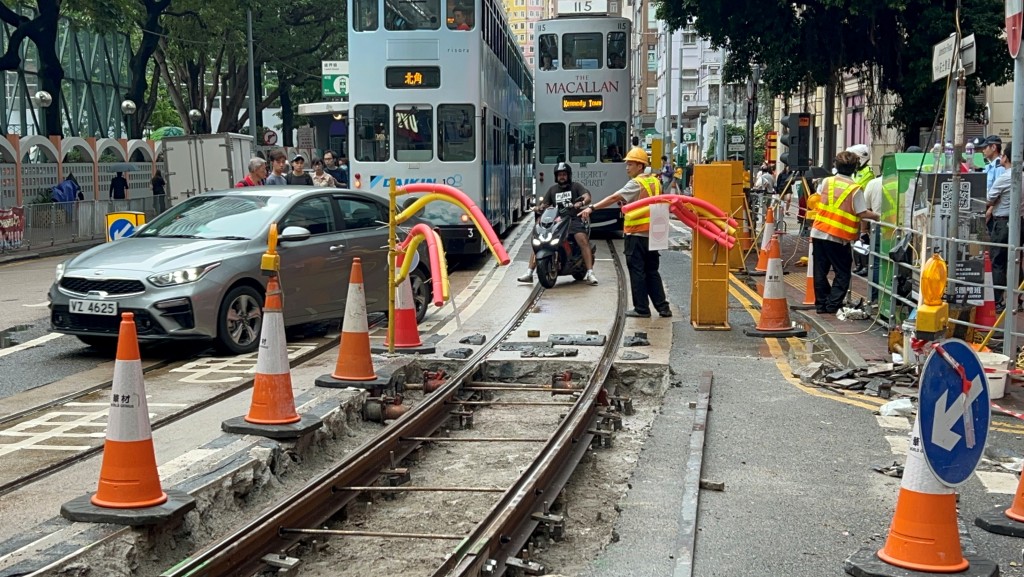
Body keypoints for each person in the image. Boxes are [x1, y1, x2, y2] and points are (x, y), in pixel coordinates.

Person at [581, 147, 671, 318]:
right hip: (652, 235)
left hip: (636, 234)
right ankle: (663, 308)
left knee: (637, 271)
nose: (626, 167)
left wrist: (592, 207)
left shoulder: (636, 183)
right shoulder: (655, 181)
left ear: (640, 166)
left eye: (630, 164)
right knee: (652, 271)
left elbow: (615, 198)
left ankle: (642, 309)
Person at [811, 151, 879, 315]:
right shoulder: (855, 189)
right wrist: (878, 216)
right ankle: (832, 304)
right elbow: (862, 212)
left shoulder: (827, 181)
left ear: (835, 165)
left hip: (819, 231)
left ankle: (821, 305)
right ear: (855, 167)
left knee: (820, 270)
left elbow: (821, 198)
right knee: (842, 273)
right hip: (838, 236)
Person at [517, 163, 596, 285]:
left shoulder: (576, 186)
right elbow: (546, 205)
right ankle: (529, 272)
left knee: (582, 239)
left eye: (564, 174)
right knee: (539, 240)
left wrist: (580, 203)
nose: (562, 177)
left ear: (568, 175)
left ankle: (590, 273)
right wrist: (539, 208)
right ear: (556, 177)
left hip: (573, 219)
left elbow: (587, 197)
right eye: (560, 175)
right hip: (557, 221)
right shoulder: (552, 190)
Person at [987, 143, 1014, 311]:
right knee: (1016, 260)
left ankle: (997, 301)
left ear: (1005, 157)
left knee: (998, 261)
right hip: (1019, 221)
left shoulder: (1005, 177)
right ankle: (1017, 298)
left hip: (1002, 223)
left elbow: (990, 198)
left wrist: (994, 203)